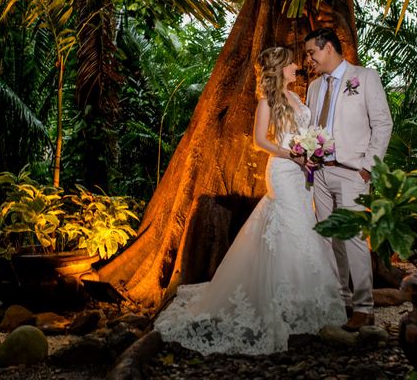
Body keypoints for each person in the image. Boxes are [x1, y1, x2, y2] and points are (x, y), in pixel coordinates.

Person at [154, 46, 346, 356]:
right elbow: (260, 141)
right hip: (284, 171)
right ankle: (275, 304)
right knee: (288, 227)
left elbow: (306, 131)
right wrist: (293, 155)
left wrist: (313, 150)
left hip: (302, 173)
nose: (297, 66)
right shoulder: (266, 101)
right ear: (280, 68)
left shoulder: (297, 97)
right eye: (291, 63)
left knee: (305, 228)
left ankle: (303, 303)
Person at [304, 28, 393, 331]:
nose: (309, 59)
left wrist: (368, 166)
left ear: (328, 48)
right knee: (329, 239)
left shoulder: (365, 77)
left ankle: (364, 307)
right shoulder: (314, 87)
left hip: (353, 172)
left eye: (311, 53)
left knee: (354, 239)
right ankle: (339, 301)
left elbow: (383, 123)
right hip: (321, 172)